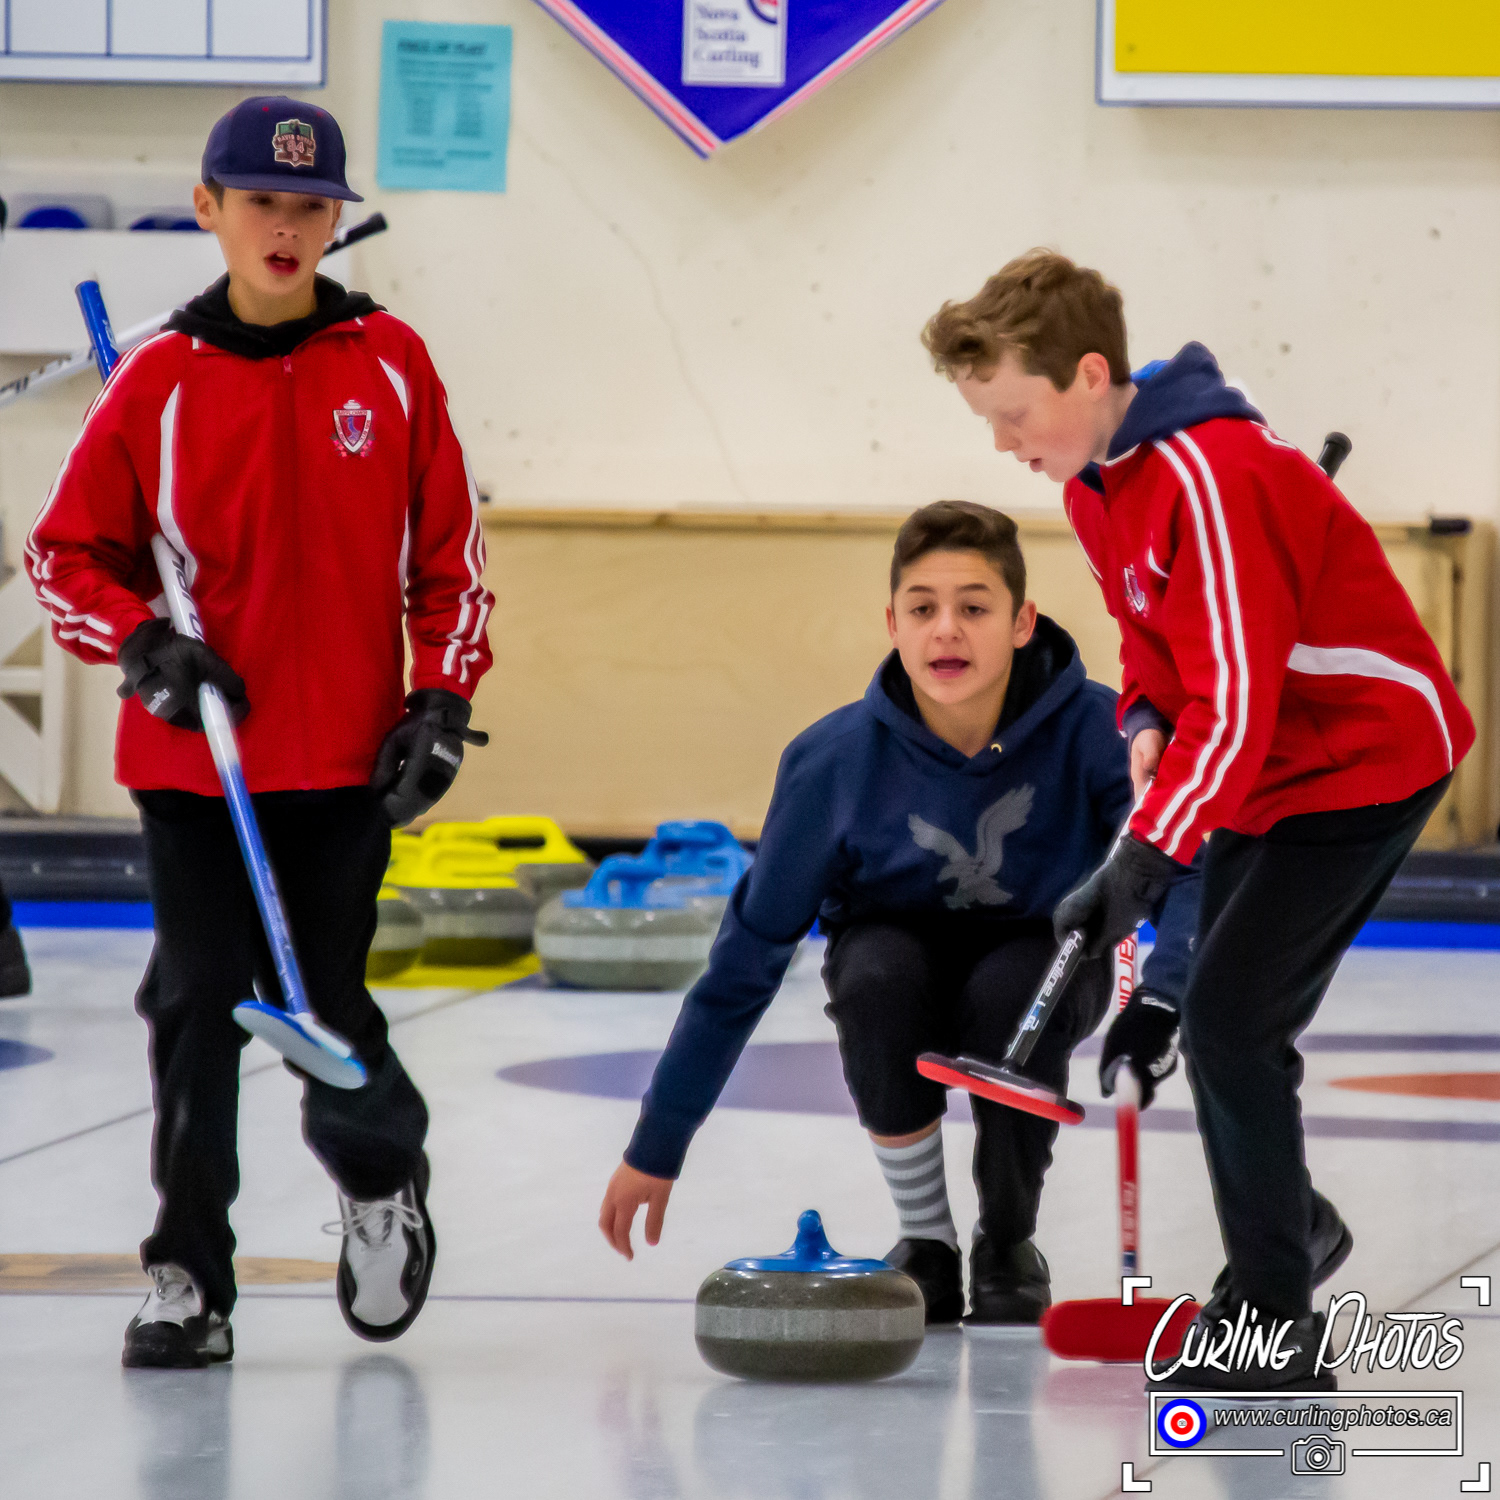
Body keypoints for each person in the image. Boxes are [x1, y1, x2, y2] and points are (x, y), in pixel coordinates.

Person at [922, 249, 1472, 1388]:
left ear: (1088, 376)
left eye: (1015, 413)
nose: (1004, 443)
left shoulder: (1210, 478)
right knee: (1220, 1018)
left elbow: (1241, 701)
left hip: (1364, 758)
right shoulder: (1097, 486)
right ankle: (1293, 1230)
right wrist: (1141, 719)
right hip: (1266, 768)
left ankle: (1276, 1327)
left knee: (1230, 1025)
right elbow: (1158, 649)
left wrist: (1141, 859)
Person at [26, 97, 493, 1369]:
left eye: (308, 206)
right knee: (194, 1002)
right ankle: (188, 1273)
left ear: (335, 220)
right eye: (259, 202)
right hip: (198, 766)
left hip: (341, 760)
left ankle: (381, 1178)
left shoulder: (392, 365)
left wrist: (442, 701)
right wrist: (143, 646)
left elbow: (452, 560)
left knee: (319, 1000)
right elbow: (64, 556)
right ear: (209, 208)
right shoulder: (158, 382)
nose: (284, 227)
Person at [598, 501, 1199, 1326]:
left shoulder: (1104, 734)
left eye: (974, 607)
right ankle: (927, 1241)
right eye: (922, 609)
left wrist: (1164, 997)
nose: (946, 629)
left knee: (1011, 993)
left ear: (1022, 622)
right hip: (895, 956)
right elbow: (744, 966)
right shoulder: (831, 763)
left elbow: (1187, 874)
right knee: (876, 976)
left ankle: (1008, 1242)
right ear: (893, 623)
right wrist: (657, 1144)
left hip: (1048, 952)